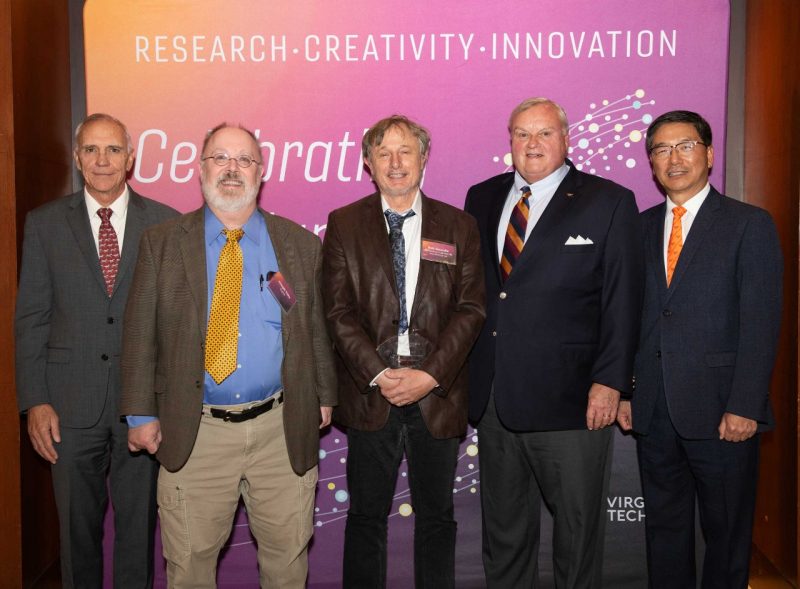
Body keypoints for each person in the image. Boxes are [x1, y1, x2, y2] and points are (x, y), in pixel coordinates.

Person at [121, 123, 336, 588]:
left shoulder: (299, 245)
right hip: (196, 431)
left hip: (280, 433)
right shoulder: (162, 243)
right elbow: (140, 334)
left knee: (287, 563)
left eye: (245, 160)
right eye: (220, 158)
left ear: (263, 172)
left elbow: (314, 328)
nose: (232, 169)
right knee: (190, 566)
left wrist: (323, 394)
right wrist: (140, 413)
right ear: (200, 169)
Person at [465, 97, 643, 588]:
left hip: (574, 404)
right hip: (497, 399)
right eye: (522, 134)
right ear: (510, 143)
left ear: (566, 139)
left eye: (544, 133)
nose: (532, 144)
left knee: (577, 534)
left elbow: (623, 301)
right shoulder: (480, 197)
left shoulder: (608, 201)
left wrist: (612, 382)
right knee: (504, 537)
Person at [616, 110, 782, 589]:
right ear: (650, 163)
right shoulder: (638, 228)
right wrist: (627, 391)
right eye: (661, 149)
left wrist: (745, 404)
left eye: (685, 145)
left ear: (709, 154)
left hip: (722, 411)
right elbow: (627, 319)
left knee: (727, 535)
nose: (674, 158)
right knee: (664, 533)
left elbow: (761, 321)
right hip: (654, 408)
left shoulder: (748, 225)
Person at [15, 113, 178, 588]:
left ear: (131, 158)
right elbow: (31, 317)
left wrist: (165, 400)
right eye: (91, 150)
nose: (102, 160)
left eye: (112, 150)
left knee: (138, 535)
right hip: (67, 406)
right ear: (77, 157)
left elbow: (173, 322)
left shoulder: (165, 223)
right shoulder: (44, 224)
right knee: (76, 536)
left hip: (142, 408)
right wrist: (35, 400)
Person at [322, 114, 485, 588]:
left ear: (424, 158)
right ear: (368, 163)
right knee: (366, 518)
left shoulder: (459, 225)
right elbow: (336, 312)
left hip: (438, 393)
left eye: (406, 151)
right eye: (384, 153)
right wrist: (380, 374)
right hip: (373, 393)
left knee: (438, 518)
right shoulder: (345, 224)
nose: (396, 163)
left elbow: (472, 310)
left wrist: (430, 375)